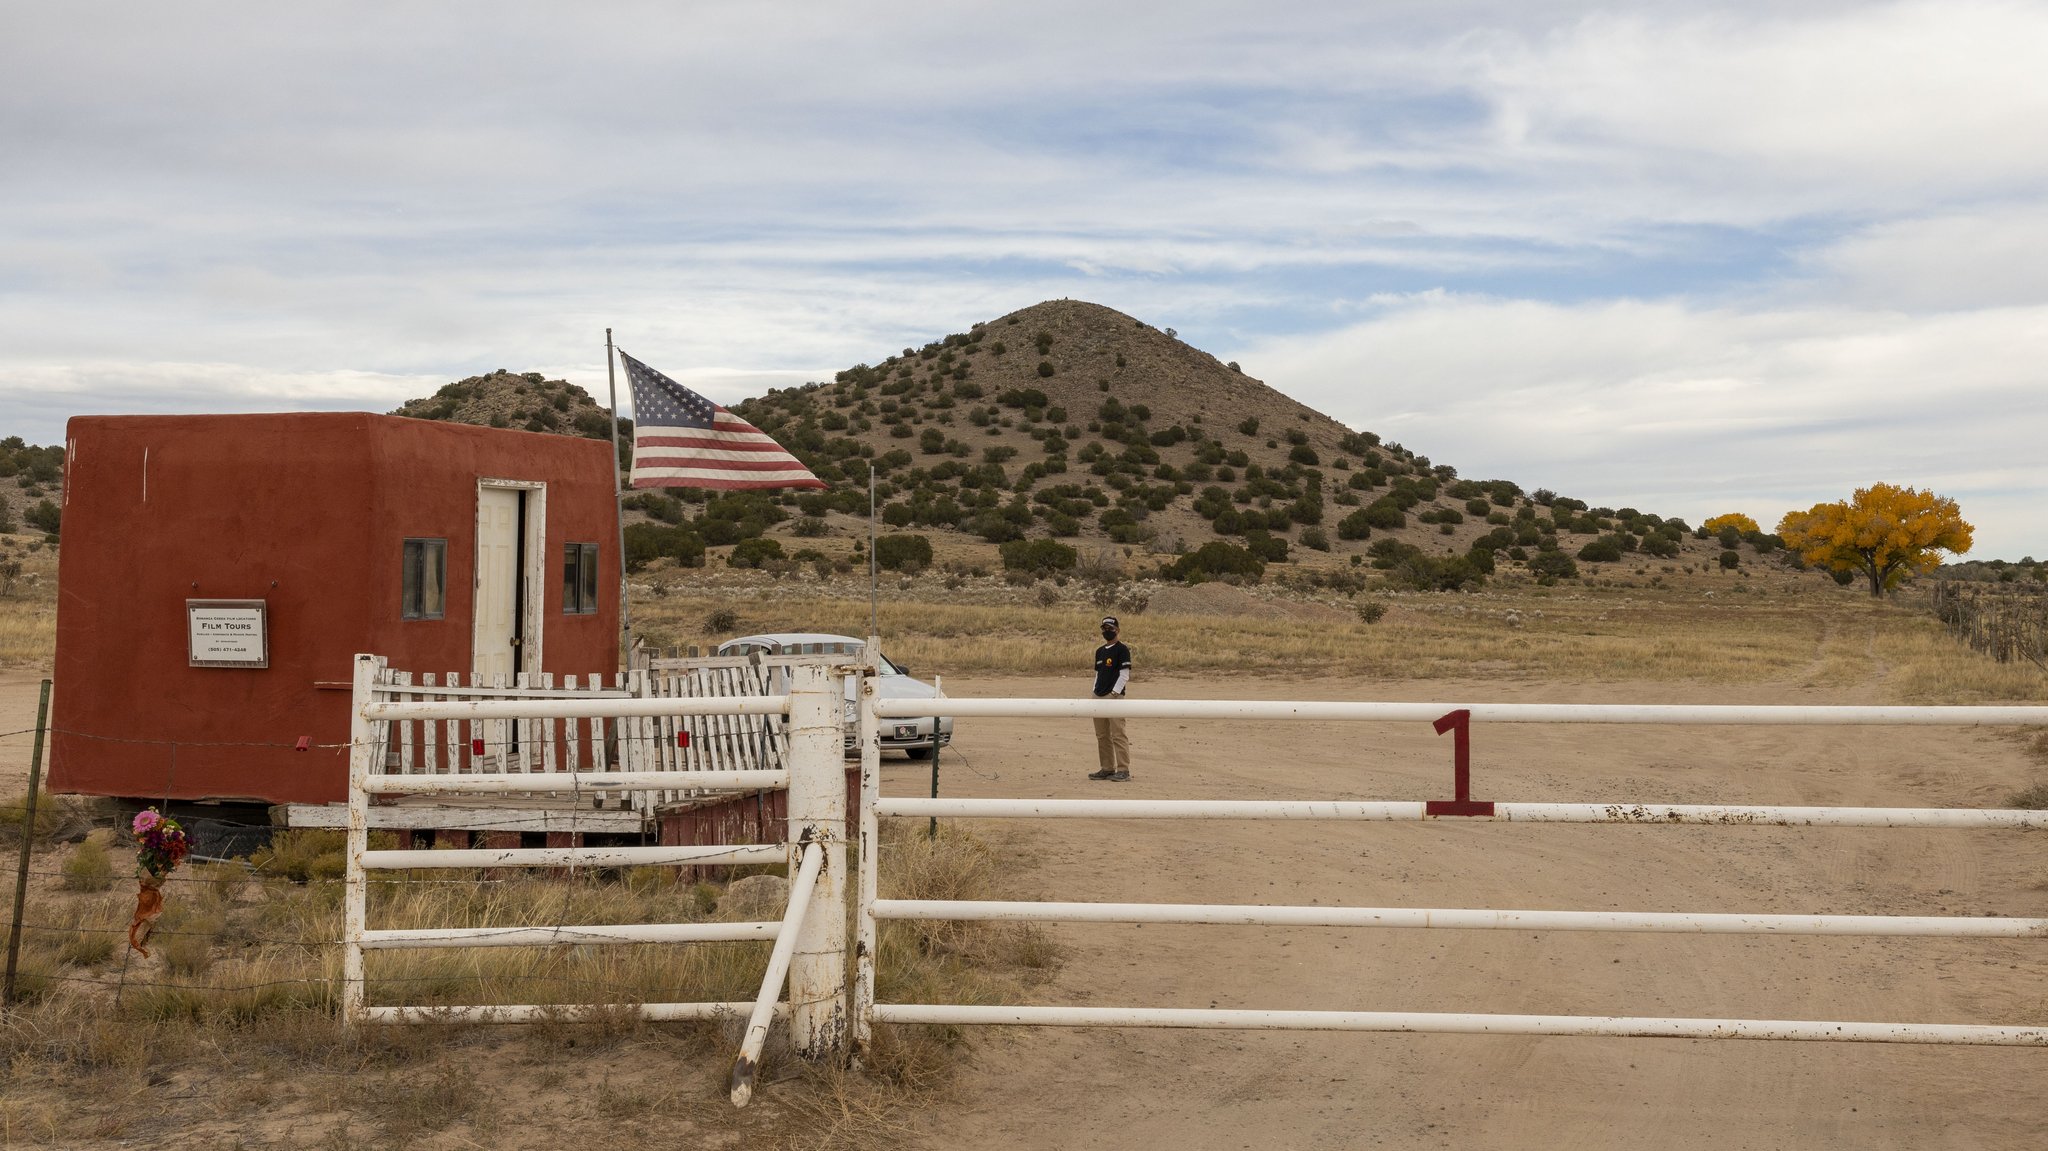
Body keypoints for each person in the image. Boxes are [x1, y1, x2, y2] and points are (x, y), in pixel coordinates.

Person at [1087, 616, 1132, 782]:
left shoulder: (1122, 650)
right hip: (1098, 696)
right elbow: (1097, 674)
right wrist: (1094, 692)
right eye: (1104, 628)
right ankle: (1106, 768)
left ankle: (1123, 770)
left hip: (1114, 696)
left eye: (1110, 628)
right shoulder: (1099, 651)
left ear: (1117, 630)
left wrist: (1114, 693)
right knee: (1102, 735)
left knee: (1118, 734)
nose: (1107, 631)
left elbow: (1124, 674)